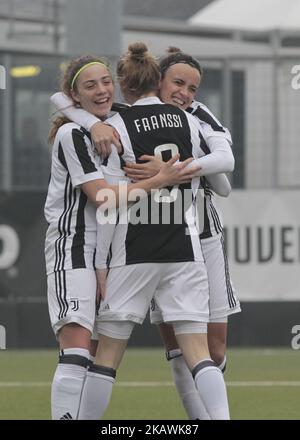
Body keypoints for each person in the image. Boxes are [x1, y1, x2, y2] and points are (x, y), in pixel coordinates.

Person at [51, 47, 238, 420]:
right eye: (178, 83)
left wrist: (169, 173)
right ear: (158, 80)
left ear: (122, 85)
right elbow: (225, 178)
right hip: (184, 249)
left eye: (192, 88)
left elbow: (109, 204)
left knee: (105, 356)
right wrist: (177, 171)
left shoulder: (117, 129)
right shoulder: (188, 124)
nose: (186, 93)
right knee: (199, 353)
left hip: (133, 251)